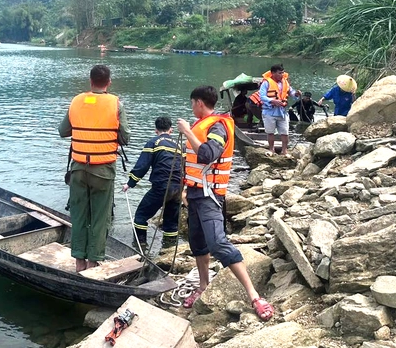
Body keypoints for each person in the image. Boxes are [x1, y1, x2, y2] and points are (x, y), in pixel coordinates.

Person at [176, 85, 274, 320]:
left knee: (218, 243)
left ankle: (254, 296)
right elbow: (193, 163)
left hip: (210, 197)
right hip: (195, 194)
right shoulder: (203, 125)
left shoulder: (218, 126)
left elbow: (208, 154)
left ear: (199, 103)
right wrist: (185, 189)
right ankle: (202, 286)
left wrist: (187, 131)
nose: (192, 107)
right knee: (198, 243)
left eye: (192, 103)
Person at [59, 65, 130, 272]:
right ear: (109, 82)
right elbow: (125, 137)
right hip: (103, 171)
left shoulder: (76, 101)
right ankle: (93, 262)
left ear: (90, 81)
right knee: (100, 218)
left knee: (79, 215)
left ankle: (79, 263)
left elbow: (63, 131)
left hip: (78, 170)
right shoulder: (116, 104)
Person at [121, 116, 183, 251]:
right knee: (171, 222)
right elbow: (184, 167)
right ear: (171, 130)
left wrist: (129, 183)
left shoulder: (153, 143)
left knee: (141, 216)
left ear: (156, 130)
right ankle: (170, 248)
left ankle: (140, 247)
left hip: (161, 187)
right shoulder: (179, 145)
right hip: (178, 187)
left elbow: (142, 166)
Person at [258, 64, 300, 156]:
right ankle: (271, 150)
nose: (282, 75)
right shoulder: (266, 83)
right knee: (270, 132)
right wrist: (272, 101)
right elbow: (262, 96)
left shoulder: (285, 82)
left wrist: (296, 94)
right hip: (269, 111)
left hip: (282, 112)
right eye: (279, 73)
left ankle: (284, 151)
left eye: (282, 73)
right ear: (273, 73)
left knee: (285, 132)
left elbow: (291, 92)